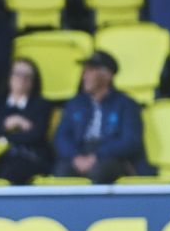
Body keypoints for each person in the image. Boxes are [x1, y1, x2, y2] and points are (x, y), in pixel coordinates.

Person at [52, 50, 143, 184]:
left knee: (100, 171)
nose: (84, 76)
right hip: (80, 153)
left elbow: (130, 141)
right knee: (61, 170)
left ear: (107, 76)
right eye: (84, 71)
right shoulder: (75, 103)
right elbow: (61, 137)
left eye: (90, 71)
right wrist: (75, 156)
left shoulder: (126, 104)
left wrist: (97, 156)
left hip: (111, 156)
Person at [0, 58, 52, 184]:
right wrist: (7, 123)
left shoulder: (41, 105)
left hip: (29, 157)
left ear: (34, 81)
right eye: (17, 74)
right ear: (9, 77)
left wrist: (5, 139)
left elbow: (36, 135)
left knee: (12, 172)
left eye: (27, 76)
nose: (21, 79)